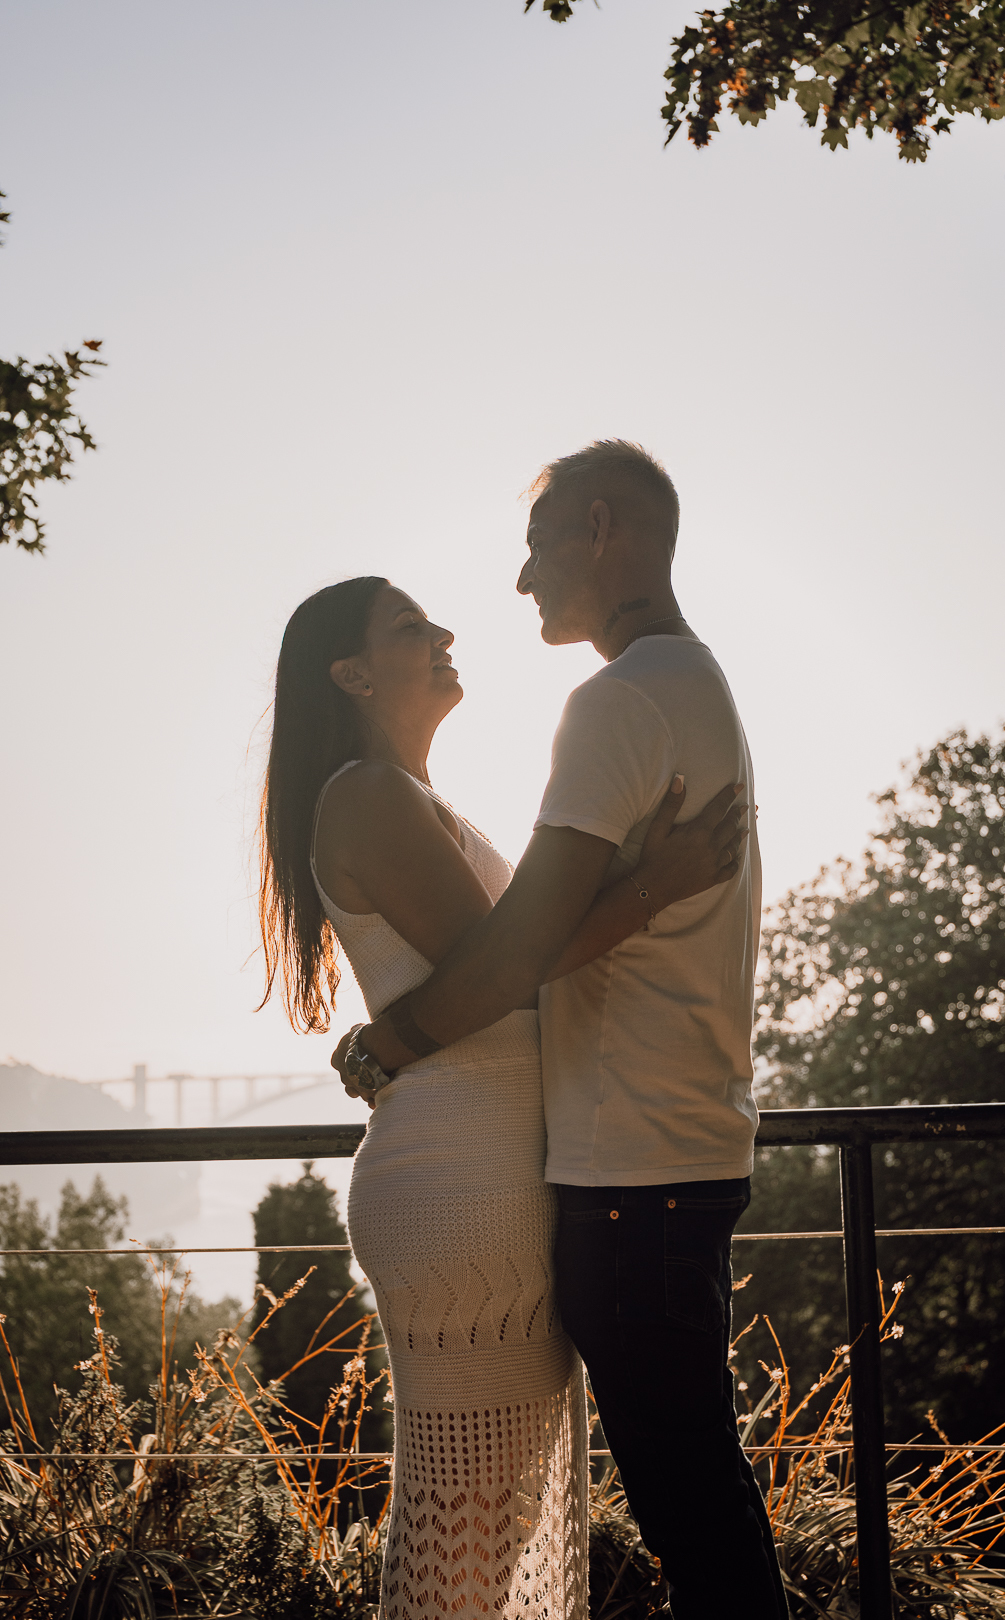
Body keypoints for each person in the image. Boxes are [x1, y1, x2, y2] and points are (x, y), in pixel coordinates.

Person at [337, 441, 789, 1619]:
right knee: (699, 1498)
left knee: (692, 1512)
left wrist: (388, 1041)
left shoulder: (619, 698)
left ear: (600, 528)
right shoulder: (694, 682)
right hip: (670, 1153)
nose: (522, 581)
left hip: (635, 1174)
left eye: (537, 546)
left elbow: (518, 945)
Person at [258, 571, 748, 1620]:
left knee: (490, 1526)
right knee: (470, 1535)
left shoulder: (408, 796)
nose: (441, 633)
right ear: (350, 673)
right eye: (406, 627)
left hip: (482, 1175)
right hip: (462, 1185)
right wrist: (661, 880)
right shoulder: (367, 793)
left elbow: (505, 961)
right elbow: (505, 967)